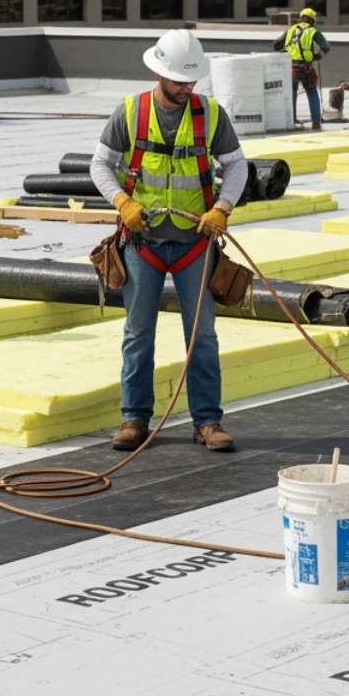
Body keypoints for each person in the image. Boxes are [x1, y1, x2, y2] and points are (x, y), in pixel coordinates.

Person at [90, 29, 249, 452]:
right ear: (159, 73)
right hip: (142, 244)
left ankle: (208, 422)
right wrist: (123, 201)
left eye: (192, 80)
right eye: (180, 80)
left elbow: (237, 166)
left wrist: (223, 208)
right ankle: (134, 419)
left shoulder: (211, 115)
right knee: (138, 332)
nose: (186, 87)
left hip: (194, 244)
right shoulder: (131, 112)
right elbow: (99, 165)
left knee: (203, 335)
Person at [273, 7, 330, 130]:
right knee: (312, 92)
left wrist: (286, 52)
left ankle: (292, 122)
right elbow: (325, 47)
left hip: (291, 67)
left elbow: (276, 44)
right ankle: (316, 123)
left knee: (292, 94)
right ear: (312, 20)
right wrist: (315, 56)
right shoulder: (312, 31)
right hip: (306, 67)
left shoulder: (290, 30)